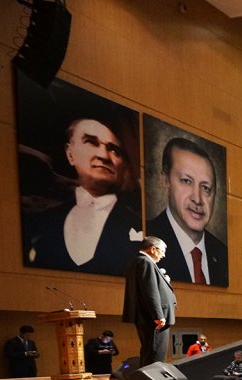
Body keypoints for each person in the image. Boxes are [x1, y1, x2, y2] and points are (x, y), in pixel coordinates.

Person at [23, 117, 141, 275]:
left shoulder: (141, 227)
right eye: (91, 142)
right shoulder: (42, 222)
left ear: (124, 167)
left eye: (114, 150)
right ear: (70, 153)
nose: (104, 155)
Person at [150, 137, 228, 285]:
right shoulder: (145, 244)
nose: (197, 199)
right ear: (165, 181)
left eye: (205, 188)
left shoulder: (222, 254)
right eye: (186, 181)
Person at [121, 236, 177, 367]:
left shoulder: (140, 262)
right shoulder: (145, 262)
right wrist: (158, 315)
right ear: (153, 249)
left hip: (150, 317)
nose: (163, 255)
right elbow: (149, 291)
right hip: (154, 319)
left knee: (150, 352)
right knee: (155, 355)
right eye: (162, 251)